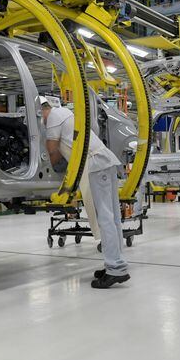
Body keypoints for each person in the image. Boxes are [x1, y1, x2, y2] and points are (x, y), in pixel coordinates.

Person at [40, 97, 129, 289]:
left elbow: (52, 150)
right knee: (112, 218)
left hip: (96, 164)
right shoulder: (65, 113)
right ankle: (114, 263)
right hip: (106, 162)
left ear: (42, 110)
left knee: (104, 217)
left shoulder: (54, 115)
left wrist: (49, 168)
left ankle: (115, 268)